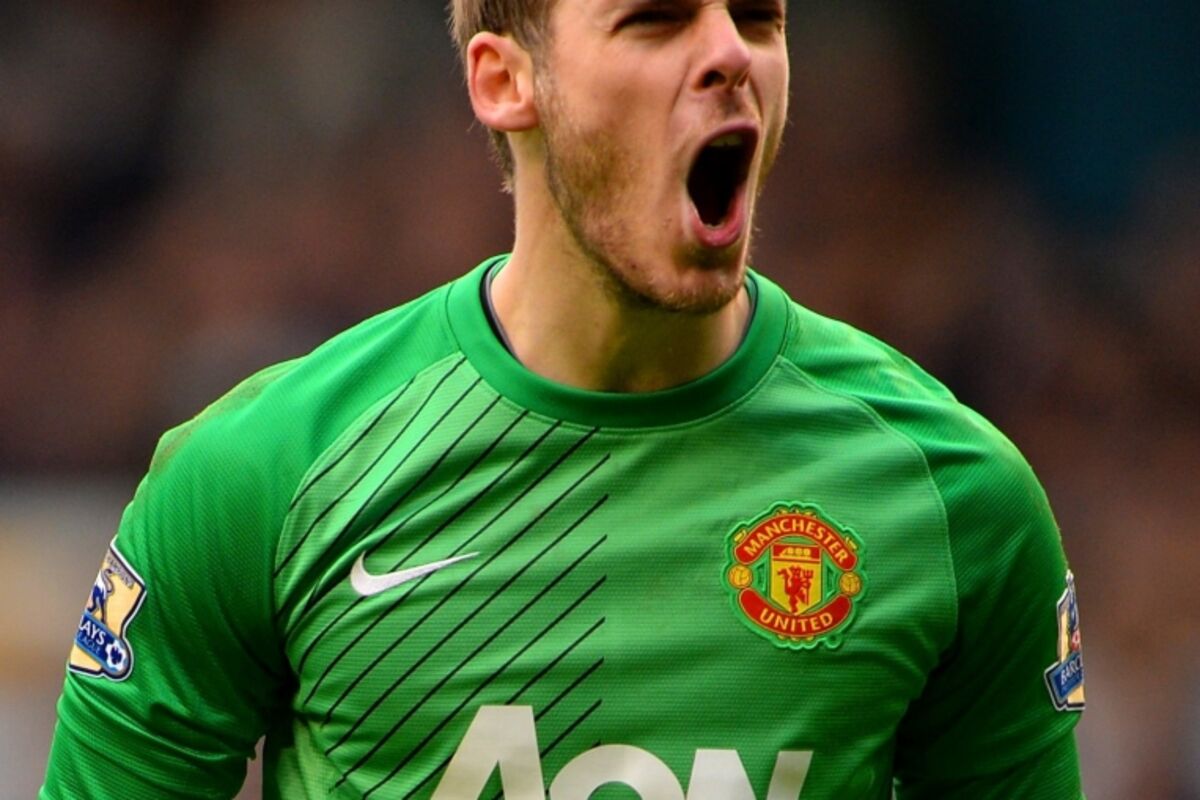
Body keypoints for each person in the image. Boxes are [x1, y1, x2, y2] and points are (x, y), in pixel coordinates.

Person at [41, 1, 1086, 798]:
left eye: (759, 17)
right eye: (655, 19)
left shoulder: (955, 498)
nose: (731, 52)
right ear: (505, 80)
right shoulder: (265, 472)